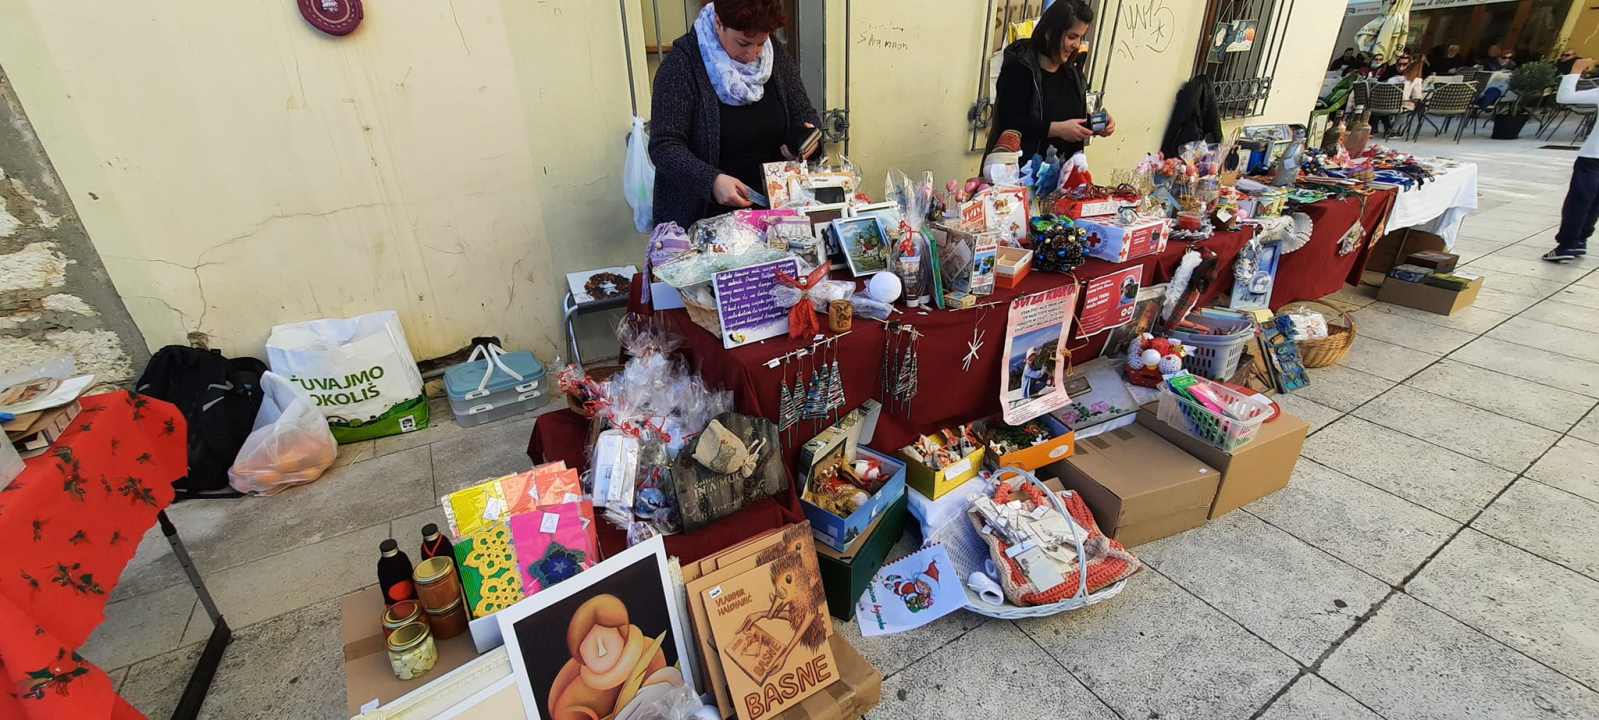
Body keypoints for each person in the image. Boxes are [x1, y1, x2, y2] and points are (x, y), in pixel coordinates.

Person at [648, 0, 820, 229]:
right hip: (703, 221)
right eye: (743, 43)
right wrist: (711, 181)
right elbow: (664, 145)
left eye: (760, 43)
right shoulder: (682, 65)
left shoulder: (773, 54)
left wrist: (808, 144)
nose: (752, 54)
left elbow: (804, 113)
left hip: (773, 216)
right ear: (719, 23)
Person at [986, 0, 1115, 161]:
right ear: (1049, 33)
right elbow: (1008, 123)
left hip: (1064, 176)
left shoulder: (1073, 74)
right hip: (1022, 176)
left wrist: (1097, 124)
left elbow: (1073, 120)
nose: (1076, 45)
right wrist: (1054, 129)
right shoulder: (1020, 69)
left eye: (1081, 38)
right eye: (1072, 36)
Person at [1546, 57, 1599, 263]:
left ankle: (1567, 244)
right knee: (1594, 202)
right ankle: (1580, 240)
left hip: (1593, 155)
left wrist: (1576, 69)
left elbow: (1565, 96)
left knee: (1579, 200)